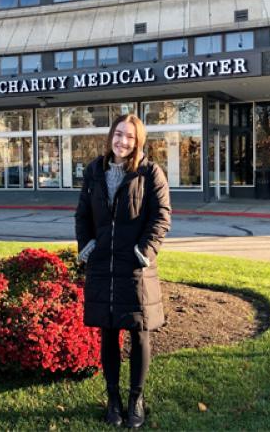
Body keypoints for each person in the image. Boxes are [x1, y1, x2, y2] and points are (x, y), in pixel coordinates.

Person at [75, 113, 171, 428]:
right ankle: (113, 399)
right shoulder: (94, 171)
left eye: (130, 136)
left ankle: (136, 399)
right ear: (110, 136)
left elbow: (161, 217)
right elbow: (83, 214)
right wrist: (86, 245)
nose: (123, 141)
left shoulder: (150, 172)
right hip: (102, 265)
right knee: (109, 332)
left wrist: (144, 251)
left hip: (135, 267)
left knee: (139, 333)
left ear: (138, 140)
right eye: (118, 134)